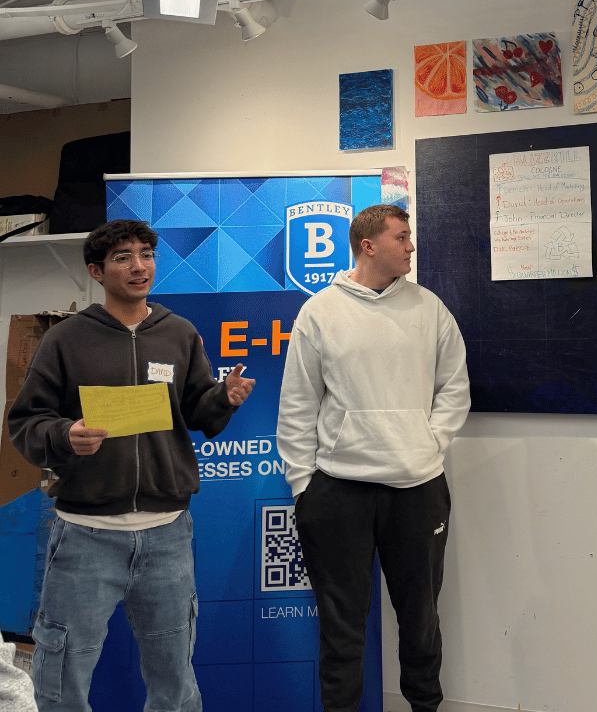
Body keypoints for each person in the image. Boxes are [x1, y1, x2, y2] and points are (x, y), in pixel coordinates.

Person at [8, 220, 255, 712]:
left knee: (174, 680)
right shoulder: (66, 339)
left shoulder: (179, 332)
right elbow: (26, 422)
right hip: (85, 537)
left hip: (167, 535)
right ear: (96, 271)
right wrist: (65, 435)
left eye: (147, 254)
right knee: (61, 678)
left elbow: (196, 413)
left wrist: (222, 399)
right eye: (123, 257)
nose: (139, 266)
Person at [277, 204, 470, 712]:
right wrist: (303, 486)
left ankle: (424, 706)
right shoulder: (320, 311)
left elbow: (454, 389)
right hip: (338, 491)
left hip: (419, 487)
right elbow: (297, 403)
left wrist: (427, 444)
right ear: (369, 245)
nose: (411, 246)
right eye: (401, 237)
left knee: (421, 621)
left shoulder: (430, 309)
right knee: (341, 628)